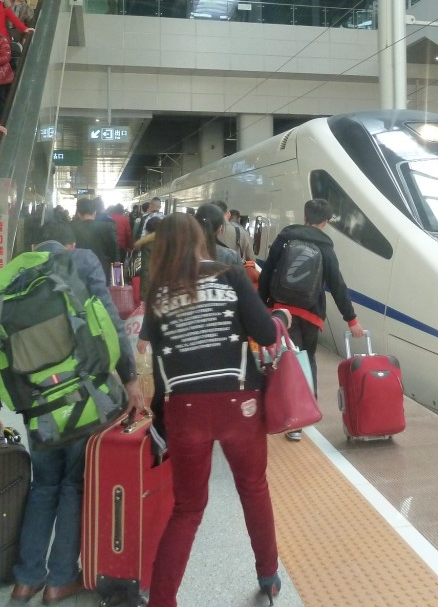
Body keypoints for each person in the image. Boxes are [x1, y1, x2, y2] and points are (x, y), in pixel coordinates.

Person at [0, 217, 145, 606]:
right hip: (84, 402)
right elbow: (108, 323)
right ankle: (60, 581)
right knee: (74, 486)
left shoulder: (8, 282)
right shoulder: (81, 262)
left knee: (43, 487)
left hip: (37, 409)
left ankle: (26, 579)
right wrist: (130, 379)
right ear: (68, 245)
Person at [141, 213, 289, 607]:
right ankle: (269, 575)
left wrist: (160, 424)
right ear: (199, 240)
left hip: (184, 409)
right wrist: (281, 317)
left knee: (187, 509)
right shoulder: (230, 275)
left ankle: (161, 601)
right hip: (239, 401)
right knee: (254, 489)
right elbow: (265, 333)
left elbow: (158, 367)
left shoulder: (156, 293)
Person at [258, 198, 365, 441]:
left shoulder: (285, 239)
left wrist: (261, 304)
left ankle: (291, 419)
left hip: (283, 312)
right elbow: (337, 286)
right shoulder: (326, 248)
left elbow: (266, 275)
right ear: (325, 222)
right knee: (308, 360)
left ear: (304, 216)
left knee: (287, 360)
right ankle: (306, 412)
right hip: (311, 314)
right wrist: (352, 320)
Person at [71, 197, 117, 284]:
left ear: (78, 213)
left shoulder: (72, 228)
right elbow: (115, 254)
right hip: (102, 270)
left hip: (79, 270)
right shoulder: (107, 226)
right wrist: (117, 279)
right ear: (94, 212)